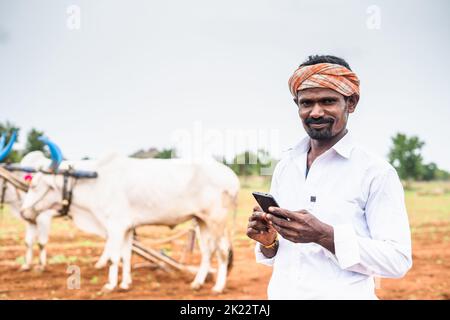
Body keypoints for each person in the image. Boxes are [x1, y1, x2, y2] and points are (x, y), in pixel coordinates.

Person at [246, 55, 412, 299]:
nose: (315, 112)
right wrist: (268, 242)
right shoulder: (286, 166)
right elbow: (283, 256)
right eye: (306, 103)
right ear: (297, 105)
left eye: (327, 101)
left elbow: (397, 261)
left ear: (351, 103)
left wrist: (324, 235)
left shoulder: (376, 172)